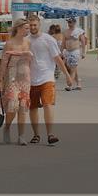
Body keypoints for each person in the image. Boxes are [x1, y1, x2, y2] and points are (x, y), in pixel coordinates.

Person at [28, 15, 72, 145]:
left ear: (39, 25)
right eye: (30, 25)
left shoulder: (48, 39)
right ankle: (36, 135)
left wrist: (67, 75)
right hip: (31, 79)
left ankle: (50, 134)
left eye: (35, 25)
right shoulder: (26, 40)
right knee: (33, 107)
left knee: (48, 104)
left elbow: (57, 58)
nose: (32, 27)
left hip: (47, 77)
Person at [0, 18, 33, 145]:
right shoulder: (9, 43)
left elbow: (31, 61)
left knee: (23, 107)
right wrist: (0, 81)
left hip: (25, 77)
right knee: (12, 106)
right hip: (12, 77)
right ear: (18, 28)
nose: (28, 30)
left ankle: (21, 136)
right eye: (26, 28)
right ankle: (7, 128)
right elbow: (3, 63)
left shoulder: (28, 43)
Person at [62, 17, 87, 90]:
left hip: (75, 51)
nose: (69, 24)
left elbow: (83, 42)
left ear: (74, 23)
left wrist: (83, 52)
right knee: (72, 68)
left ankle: (69, 85)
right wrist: (60, 52)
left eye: (70, 22)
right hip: (67, 52)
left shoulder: (79, 31)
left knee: (72, 68)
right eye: (68, 22)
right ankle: (78, 83)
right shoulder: (65, 31)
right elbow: (63, 43)